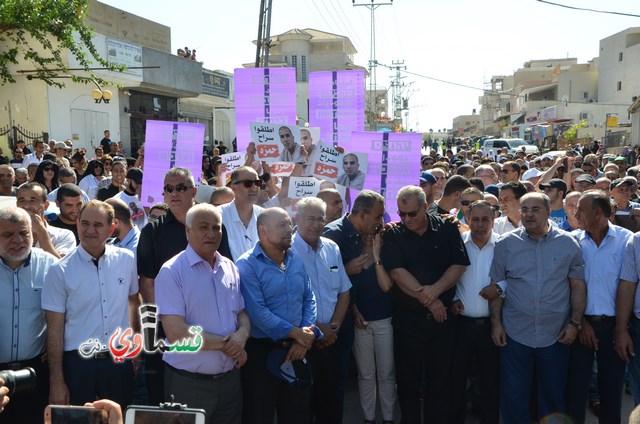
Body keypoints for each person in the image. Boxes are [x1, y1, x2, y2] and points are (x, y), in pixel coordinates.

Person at [489, 192, 586, 423]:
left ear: (549, 212)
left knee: (552, 398)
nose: (529, 214)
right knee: (514, 397)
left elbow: (577, 286)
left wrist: (575, 323)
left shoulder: (568, 243)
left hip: (556, 336)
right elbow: (496, 286)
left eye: (535, 209)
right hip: (515, 335)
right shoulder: (506, 244)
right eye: (524, 209)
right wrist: (496, 324)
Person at [381, 185, 470, 424]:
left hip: (443, 324)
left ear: (424, 207)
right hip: (408, 322)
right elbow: (398, 274)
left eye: (411, 213)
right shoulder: (393, 233)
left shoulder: (447, 227)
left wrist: (435, 292)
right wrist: (431, 302)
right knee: (407, 382)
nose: (406, 219)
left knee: (439, 382)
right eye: (401, 213)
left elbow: (459, 264)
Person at [156, 204, 250, 424]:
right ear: (188, 231)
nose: (211, 234)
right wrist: (230, 345)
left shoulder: (229, 267)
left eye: (216, 228)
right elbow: (177, 333)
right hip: (189, 385)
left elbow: (241, 313)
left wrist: (243, 335)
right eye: (203, 227)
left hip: (229, 383)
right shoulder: (172, 272)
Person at [43, 200, 141, 407]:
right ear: (77, 224)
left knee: (119, 418)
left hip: (118, 361)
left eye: (97, 225)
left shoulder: (127, 259)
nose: (90, 230)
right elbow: (54, 329)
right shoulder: (59, 270)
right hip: (78, 365)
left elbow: (133, 302)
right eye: (85, 223)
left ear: (111, 228)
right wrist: (57, 380)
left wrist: (135, 348)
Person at [237, 207, 318, 424]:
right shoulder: (247, 265)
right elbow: (258, 312)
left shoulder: (296, 260)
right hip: (261, 355)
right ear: (263, 231)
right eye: (282, 225)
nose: (289, 229)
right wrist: (297, 333)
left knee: (297, 415)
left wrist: (305, 334)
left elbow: (309, 298)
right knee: (259, 416)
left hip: (297, 351)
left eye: (289, 224)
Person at [566, 191, 632, 424]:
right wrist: (580, 322)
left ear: (597, 212)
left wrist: (622, 329)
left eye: (580, 209)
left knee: (611, 391)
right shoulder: (571, 241)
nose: (575, 214)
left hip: (616, 327)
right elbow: (566, 286)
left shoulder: (627, 241)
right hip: (579, 326)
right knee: (575, 390)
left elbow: (631, 286)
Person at [292, 198, 351, 424]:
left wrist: (333, 327)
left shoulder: (332, 247)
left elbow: (344, 291)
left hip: (331, 340)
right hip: (303, 341)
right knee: (303, 404)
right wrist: (317, 330)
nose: (316, 224)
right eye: (310, 218)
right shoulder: (287, 251)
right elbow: (288, 301)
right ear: (296, 219)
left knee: (331, 402)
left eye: (320, 219)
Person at [0, 207, 56, 424]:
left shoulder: (50, 266)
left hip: (35, 373)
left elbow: (67, 311)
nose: (18, 240)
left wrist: (52, 341)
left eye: (24, 233)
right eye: (7, 234)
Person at [450, 201, 499, 424]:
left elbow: (513, 277)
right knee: (457, 379)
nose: (479, 225)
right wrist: (452, 299)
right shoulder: (458, 245)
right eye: (475, 219)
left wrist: (499, 288)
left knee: (490, 382)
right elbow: (447, 278)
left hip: (492, 327)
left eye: (485, 219)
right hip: (462, 326)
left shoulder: (504, 245)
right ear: (467, 219)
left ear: (493, 219)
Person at [16, 182, 75, 258]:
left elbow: (61, 266)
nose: (27, 206)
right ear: (17, 205)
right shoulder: (6, 233)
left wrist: (41, 231)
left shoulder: (63, 235)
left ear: (46, 205)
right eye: (22, 200)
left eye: (33, 200)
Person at [220, 166, 264, 260]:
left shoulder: (265, 216)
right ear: (234, 188)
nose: (254, 188)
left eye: (257, 183)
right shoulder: (218, 216)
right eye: (248, 183)